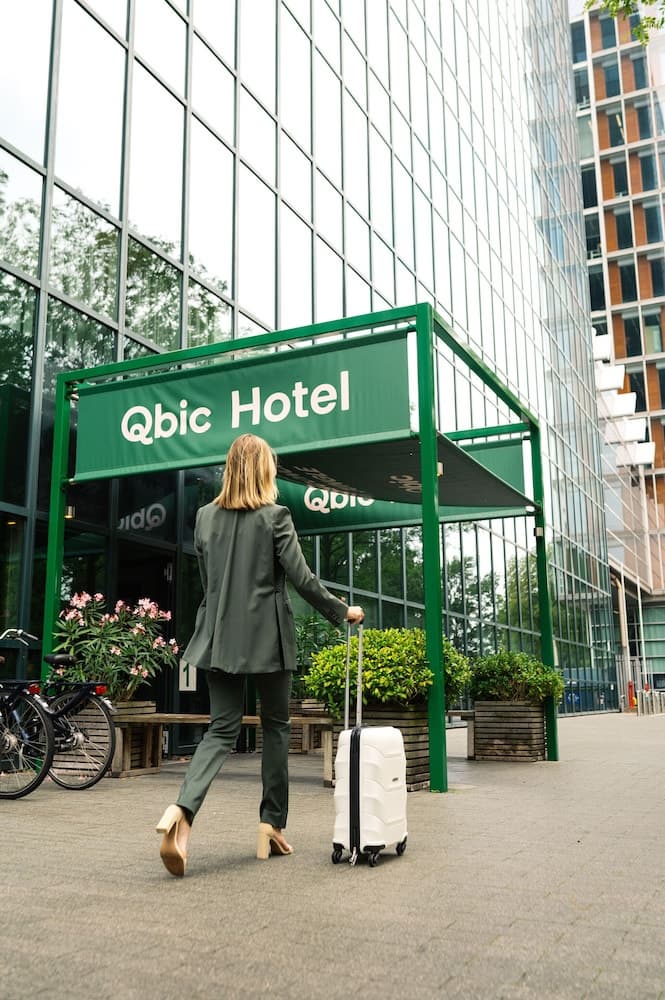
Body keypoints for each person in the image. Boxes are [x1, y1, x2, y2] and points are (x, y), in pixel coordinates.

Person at [156, 433, 363, 877]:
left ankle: (182, 811)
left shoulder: (204, 517)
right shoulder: (276, 517)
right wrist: (341, 610)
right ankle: (271, 823)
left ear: (229, 470)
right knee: (275, 728)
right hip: (268, 637)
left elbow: (210, 582)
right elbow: (303, 579)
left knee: (220, 729)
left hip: (219, 637)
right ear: (265, 471)